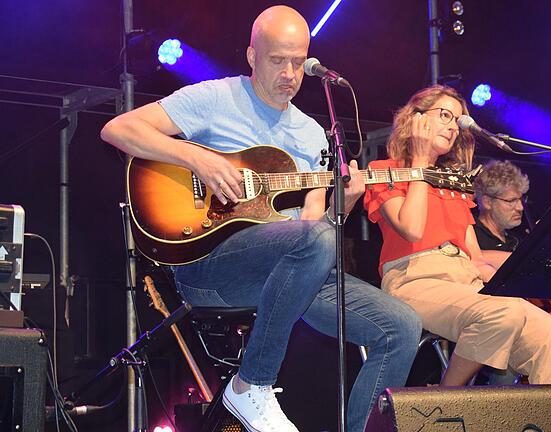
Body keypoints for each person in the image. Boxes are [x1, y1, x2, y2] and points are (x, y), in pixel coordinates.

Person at [101, 6, 421, 432]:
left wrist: (339, 205)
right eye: (277, 60)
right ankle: (251, 384)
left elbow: (313, 225)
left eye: (298, 61)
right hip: (211, 265)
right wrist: (197, 158)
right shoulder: (215, 98)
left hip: (291, 269)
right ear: (252, 56)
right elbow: (118, 129)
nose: (289, 73)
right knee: (313, 241)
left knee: (402, 326)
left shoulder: (312, 134)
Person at [363, 85, 551, 386]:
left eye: (457, 121)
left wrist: (531, 279)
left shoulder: (454, 184)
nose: (452, 126)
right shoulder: (384, 170)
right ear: (415, 119)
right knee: (503, 313)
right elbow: (411, 228)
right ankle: (446, 401)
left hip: (466, 282)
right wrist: (420, 162)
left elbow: (476, 259)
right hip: (415, 279)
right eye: (444, 115)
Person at [472, 160, 530, 268]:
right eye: (511, 201)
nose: (520, 207)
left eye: (521, 200)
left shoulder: (516, 239)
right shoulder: (471, 236)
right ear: (487, 202)